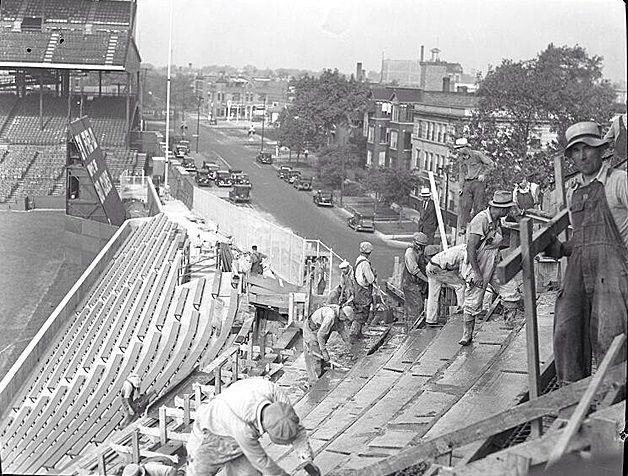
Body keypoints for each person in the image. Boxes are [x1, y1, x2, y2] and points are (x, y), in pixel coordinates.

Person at [544, 121, 628, 385]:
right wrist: (557, 247)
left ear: (601, 150)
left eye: (588, 149)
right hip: (579, 271)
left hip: (613, 273)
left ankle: (613, 408)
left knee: (609, 335)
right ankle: (570, 402)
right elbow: (580, 239)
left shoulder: (619, 181)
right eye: (576, 151)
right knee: (566, 332)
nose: (582, 156)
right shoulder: (574, 191)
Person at [186, 377, 317, 476]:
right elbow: (261, 461)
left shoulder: (276, 395)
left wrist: (306, 458)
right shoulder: (243, 429)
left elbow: (296, 427)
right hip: (210, 434)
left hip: (233, 425)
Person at [459, 191, 522, 346]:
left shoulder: (497, 220)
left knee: (511, 290)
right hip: (479, 262)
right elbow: (471, 248)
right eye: (506, 209)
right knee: (473, 299)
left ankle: (508, 325)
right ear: (499, 208)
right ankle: (467, 335)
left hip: (494, 260)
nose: (508, 212)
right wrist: (477, 273)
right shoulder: (480, 220)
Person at [303, 304, 354, 384]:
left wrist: (349, 345)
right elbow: (320, 335)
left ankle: (322, 375)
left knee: (323, 359)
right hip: (312, 331)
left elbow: (342, 332)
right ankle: (315, 383)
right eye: (346, 319)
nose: (345, 321)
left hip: (320, 330)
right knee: (316, 358)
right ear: (343, 314)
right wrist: (324, 351)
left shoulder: (339, 316)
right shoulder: (330, 317)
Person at [454, 138, 496, 234]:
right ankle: (463, 227)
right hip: (467, 183)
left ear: (465, 147)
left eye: (459, 148)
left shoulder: (477, 155)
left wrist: (484, 174)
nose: (458, 151)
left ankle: (477, 227)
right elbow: (461, 173)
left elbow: (491, 164)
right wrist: (460, 187)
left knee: (478, 206)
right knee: (465, 205)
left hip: (478, 183)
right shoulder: (461, 159)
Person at [425, 244, 467, 327]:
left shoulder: (461, 249)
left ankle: (430, 320)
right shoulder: (466, 252)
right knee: (460, 286)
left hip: (431, 267)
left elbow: (452, 267)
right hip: (437, 268)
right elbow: (462, 273)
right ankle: (462, 312)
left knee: (433, 295)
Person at [401, 232, 430, 329]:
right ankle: (412, 330)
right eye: (420, 245)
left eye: (423, 246)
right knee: (416, 306)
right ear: (415, 243)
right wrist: (427, 280)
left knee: (418, 307)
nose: (421, 248)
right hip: (410, 284)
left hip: (417, 284)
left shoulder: (419, 252)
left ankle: (413, 327)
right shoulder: (410, 253)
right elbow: (414, 270)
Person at [352, 241, 376, 341]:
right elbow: (370, 279)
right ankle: (356, 334)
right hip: (364, 291)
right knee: (362, 312)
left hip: (358, 289)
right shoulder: (365, 263)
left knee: (359, 310)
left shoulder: (358, 260)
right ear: (369, 252)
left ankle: (358, 333)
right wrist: (374, 274)